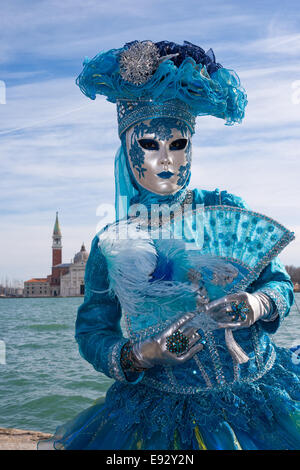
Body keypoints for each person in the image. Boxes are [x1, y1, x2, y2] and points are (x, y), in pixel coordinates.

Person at [38, 40, 300, 450]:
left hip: (258, 391)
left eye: (178, 145)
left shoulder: (225, 206)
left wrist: (255, 305)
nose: (167, 160)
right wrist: (139, 355)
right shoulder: (111, 242)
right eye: (150, 145)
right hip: (160, 408)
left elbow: (281, 287)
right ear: (128, 150)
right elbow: (93, 331)